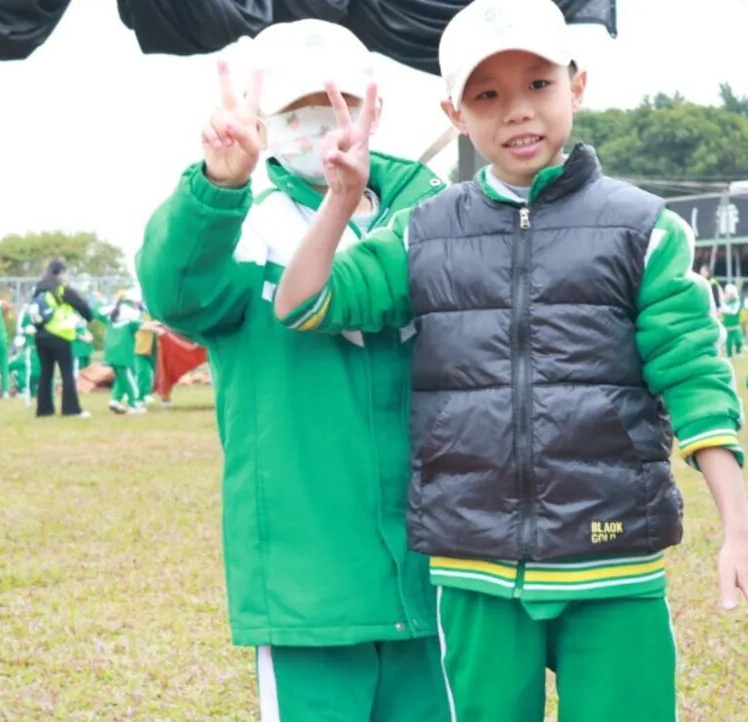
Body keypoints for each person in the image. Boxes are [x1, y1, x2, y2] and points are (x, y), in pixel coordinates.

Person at [274, 2, 748, 720]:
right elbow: (305, 303)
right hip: (476, 568)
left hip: (614, 561)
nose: (517, 110)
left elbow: (694, 379)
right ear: (455, 113)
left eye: (538, 84)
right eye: (487, 94)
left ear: (576, 86)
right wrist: (341, 199)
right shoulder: (424, 232)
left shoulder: (644, 228)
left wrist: (737, 525)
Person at [137, 19, 450, 722]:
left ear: (375, 107)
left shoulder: (437, 217)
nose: (319, 125)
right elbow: (176, 293)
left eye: (337, 103)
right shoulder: (245, 229)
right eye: (294, 112)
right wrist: (217, 186)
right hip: (307, 587)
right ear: (265, 125)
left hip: (440, 573)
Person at [30, 260, 94, 418]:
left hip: (40, 336)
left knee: (46, 373)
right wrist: (89, 317)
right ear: (60, 273)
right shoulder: (61, 290)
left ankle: (44, 410)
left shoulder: (39, 290)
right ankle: (71, 409)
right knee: (67, 373)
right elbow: (82, 306)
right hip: (59, 335)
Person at [103, 292, 144, 415]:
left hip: (111, 350)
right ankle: (134, 404)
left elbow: (97, 313)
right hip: (123, 351)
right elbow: (140, 325)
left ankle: (115, 400)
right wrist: (159, 327)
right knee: (130, 377)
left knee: (122, 377)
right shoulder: (131, 313)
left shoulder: (112, 311)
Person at [720, 283, 743, 357]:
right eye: (729, 293)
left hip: (735, 326)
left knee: (738, 340)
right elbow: (722, 309)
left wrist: (725, 310)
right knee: (728, 342)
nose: (730, 294)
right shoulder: (723, 302)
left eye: (732, 292)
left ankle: (738, 351)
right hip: (726, 326)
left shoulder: (737, 302)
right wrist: (725, 309)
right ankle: (729, 355)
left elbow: (734, 312)